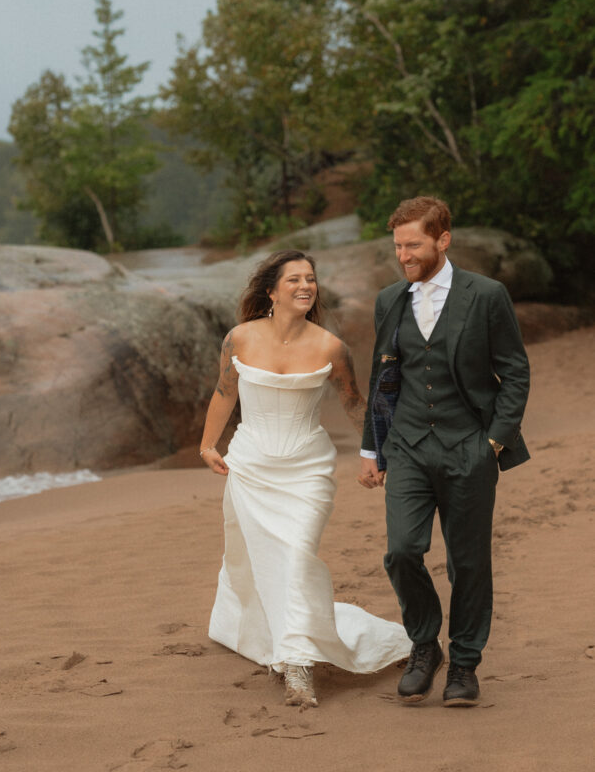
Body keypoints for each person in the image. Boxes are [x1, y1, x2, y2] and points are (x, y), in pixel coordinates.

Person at [200, 249, 410, 707]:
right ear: (271, 291)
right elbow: (223, 392)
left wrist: (378, 454)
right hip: (251, 466)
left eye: (310, 279)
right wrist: (207, 444)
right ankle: (286, 642)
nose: (305, 286)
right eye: (293, 279)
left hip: (307, 470)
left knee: (296, 558)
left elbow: (355, 404)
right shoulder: (238, 338)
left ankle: (297, 665)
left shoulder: (332, 347)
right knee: (257, 561)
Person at [359, 196, 530, 707]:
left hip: (468, 448)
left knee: (469, 563)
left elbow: (515, 371)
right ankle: (424, 645)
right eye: (398, 246)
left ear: (443, 239)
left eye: (413, 244)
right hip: (407, 446)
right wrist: (372, 448)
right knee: (402, 551)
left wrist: (494, 441)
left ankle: (464, 666)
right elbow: (383, 378)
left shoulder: (487, 295)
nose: (404, 254)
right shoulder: (390, 299)